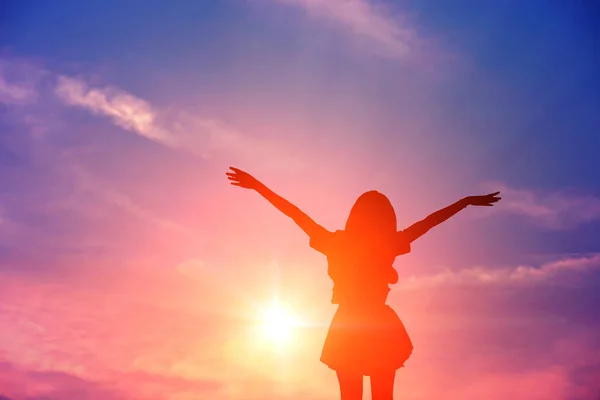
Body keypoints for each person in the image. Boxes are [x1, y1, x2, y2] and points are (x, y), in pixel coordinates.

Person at [226, 166, 501, 400]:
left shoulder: (337, 243)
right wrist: (464, 201)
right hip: (378, 325)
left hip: (349, 325)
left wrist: (257, 186)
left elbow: (294, 213)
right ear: (386, 220)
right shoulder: (387, 243)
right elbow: (428, 222)